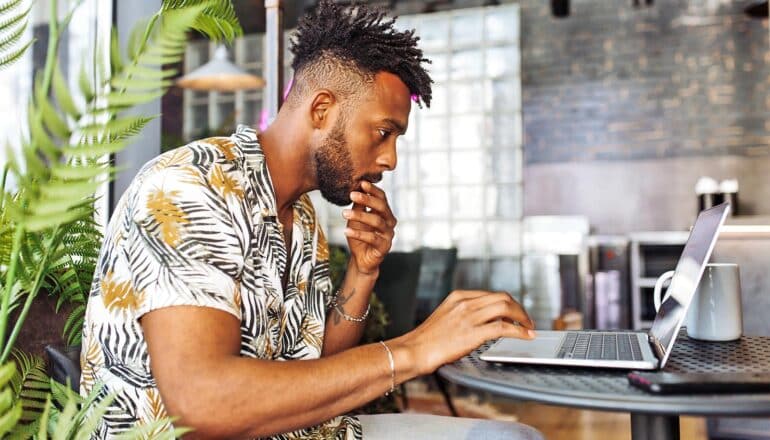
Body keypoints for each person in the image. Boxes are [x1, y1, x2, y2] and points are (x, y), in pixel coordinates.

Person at [80, 1, 539, 438]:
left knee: (514, 435)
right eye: (383, 133)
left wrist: (363, 271)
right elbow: (203, 403)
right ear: (321, 110)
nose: (391, 159)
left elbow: (314, 367)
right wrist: (412, 350)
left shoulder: (300, 213)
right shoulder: (190, 187)